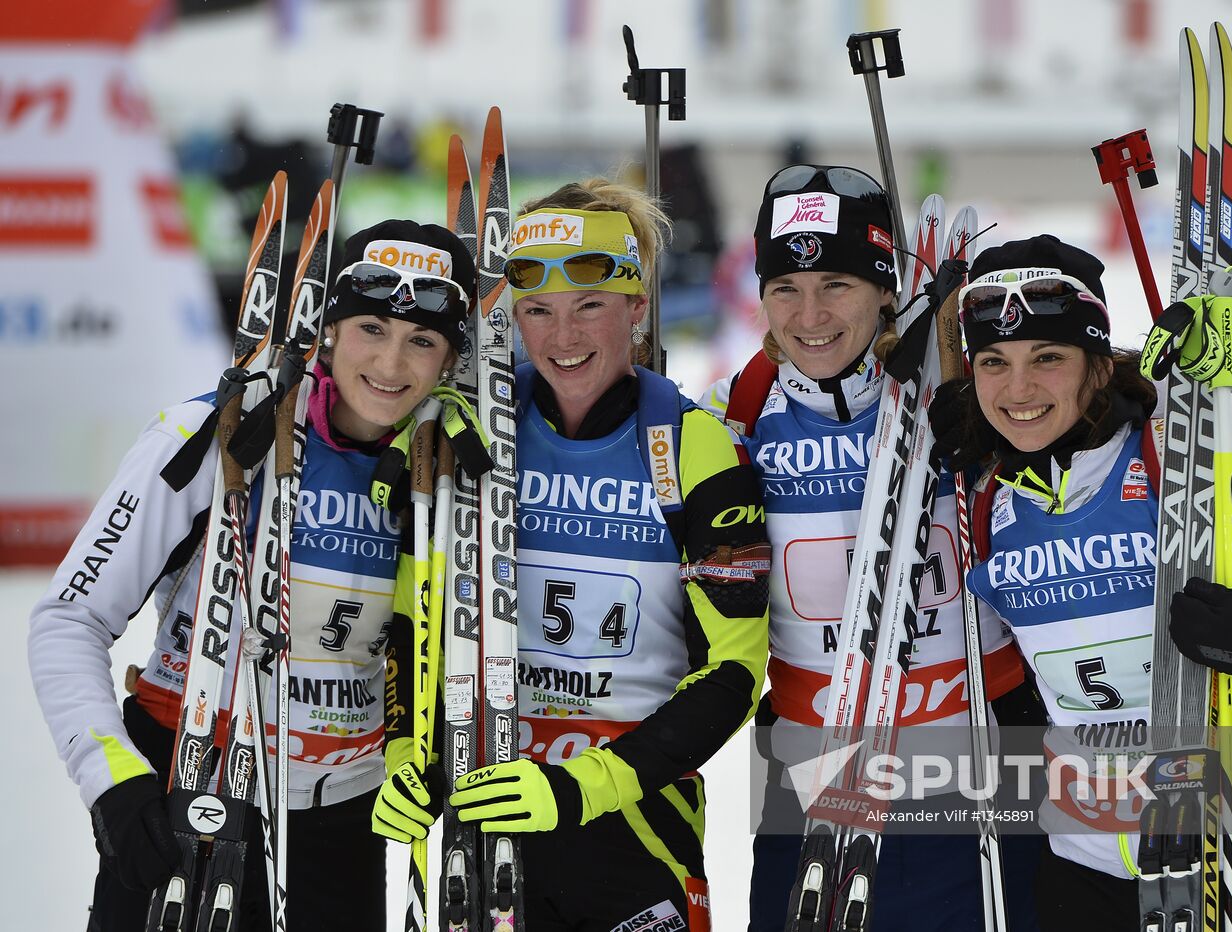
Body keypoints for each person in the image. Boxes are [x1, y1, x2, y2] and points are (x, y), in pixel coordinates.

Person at [28, 218, 475, 931]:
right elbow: (69, 618)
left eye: (421, 340)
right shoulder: (214, 438)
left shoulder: (452, 478)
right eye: (370, 329)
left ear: (450, 359)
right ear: (326, 330)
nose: (391, 365)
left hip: (342, 819)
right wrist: (111, 781)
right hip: (187, 787)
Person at [936, 234, 1232, 931]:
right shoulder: (984, 504)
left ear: (1096, 365)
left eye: (1047, 359)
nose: (1018, 389)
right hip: (1085, 877)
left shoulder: (1200, 474)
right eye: (994, 363)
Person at [371, 178, 772, 931]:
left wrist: (581, 788)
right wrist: (405, 755)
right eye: (538, 312)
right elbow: (411, 615)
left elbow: (734, 675)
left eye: (589, 306)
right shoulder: (470, 429)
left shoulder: (692, 446)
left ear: (636, 309)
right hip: (481, 798)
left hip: (633, 818)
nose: (564, 337)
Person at [703, 164, 1043, 931]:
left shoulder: (969, 397)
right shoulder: (732, 420)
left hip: (980, 761)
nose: (810, 312)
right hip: (814, 772)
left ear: (887, 288)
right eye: (785, 287)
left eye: (837, 284)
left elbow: (1088, 431)